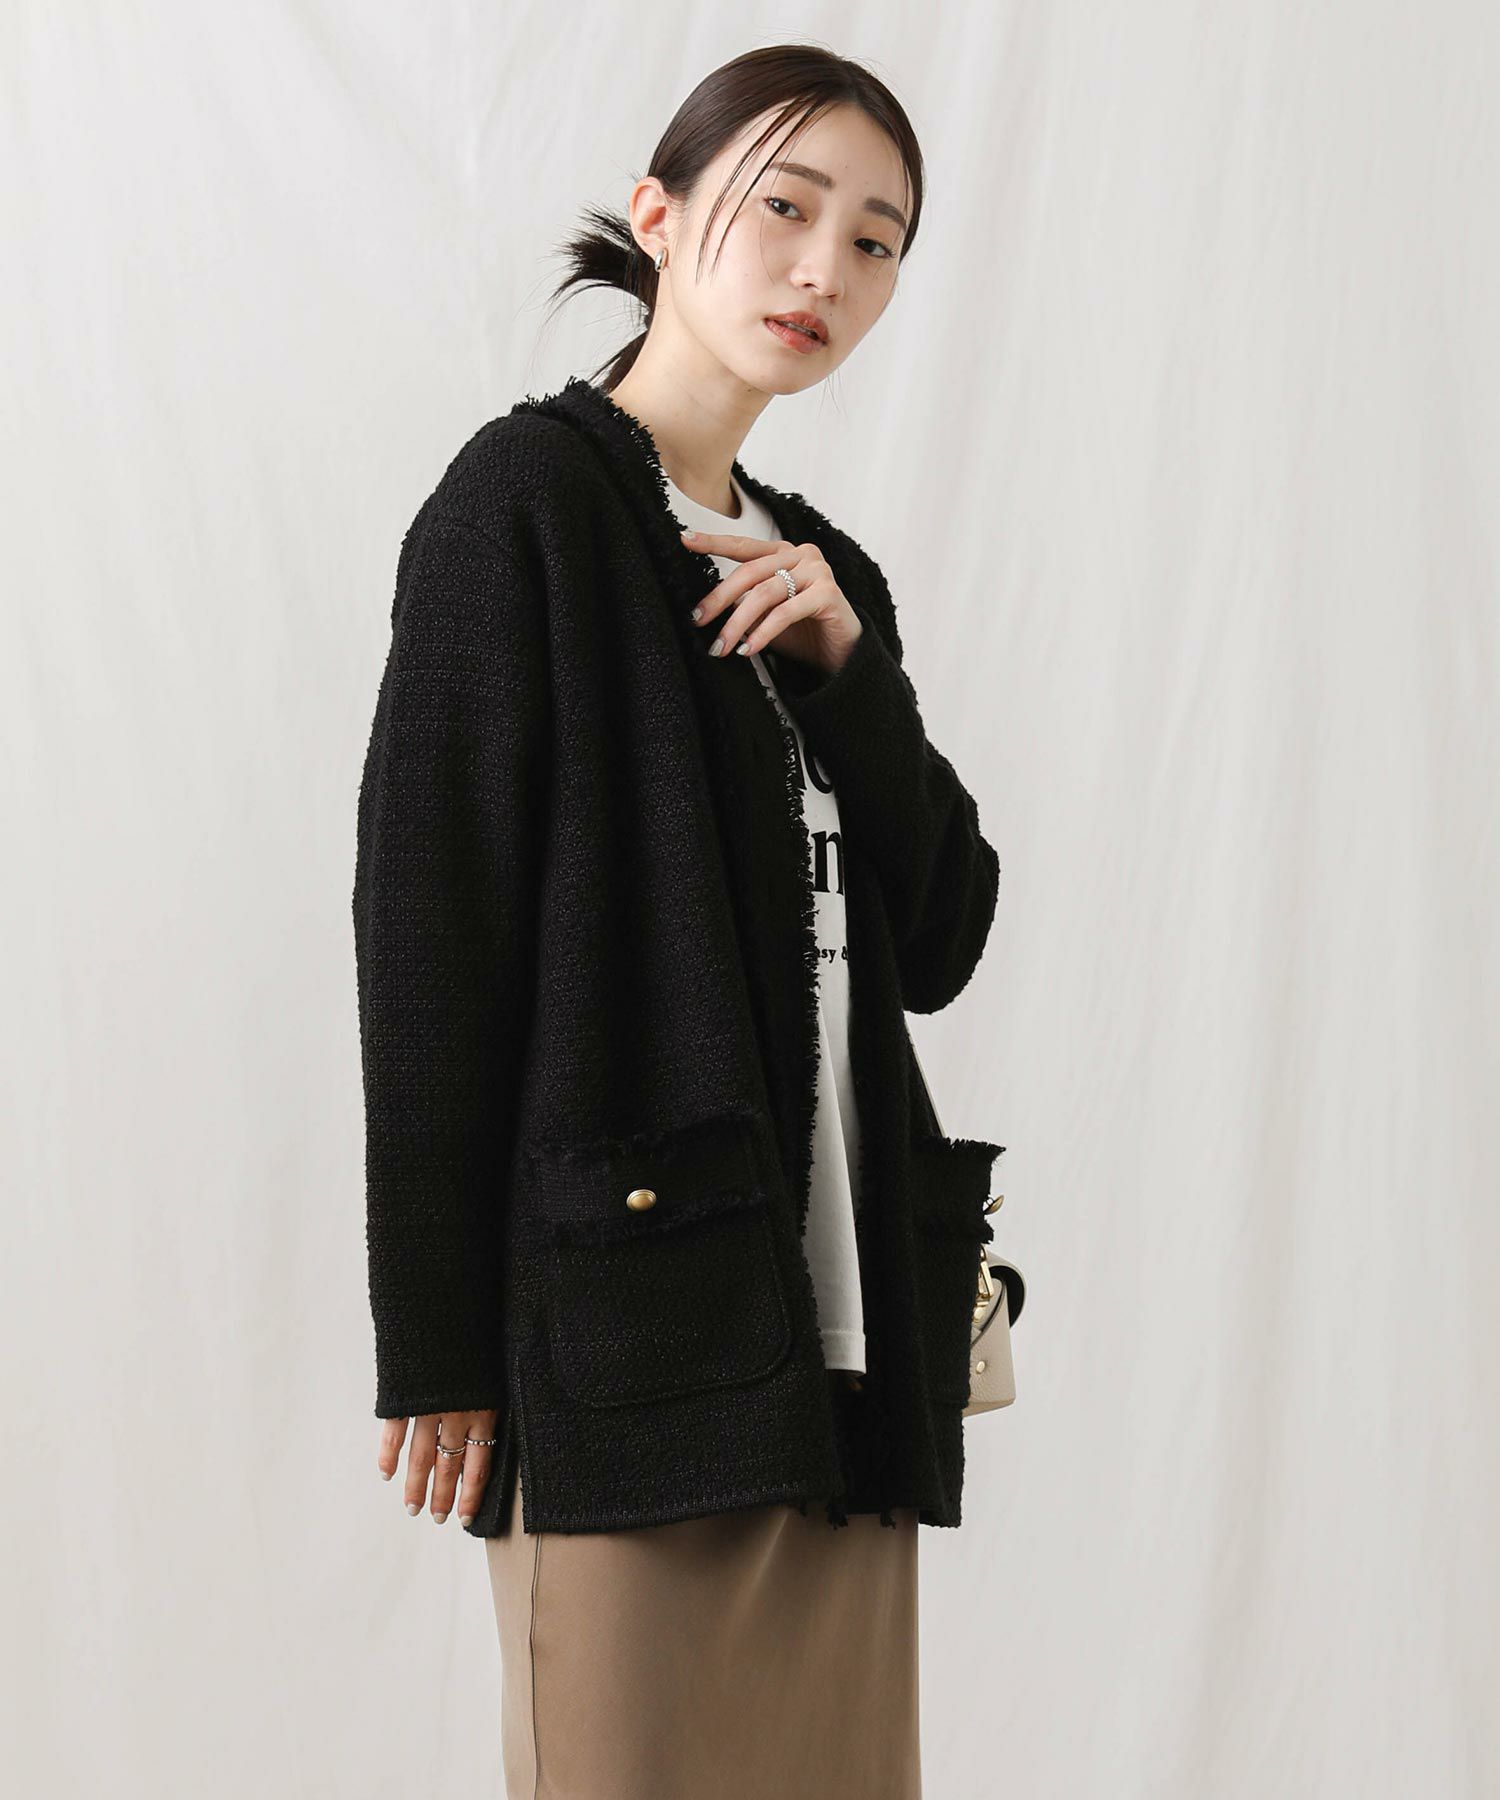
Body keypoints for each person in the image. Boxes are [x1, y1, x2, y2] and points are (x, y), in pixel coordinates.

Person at [353, 42, 1004, 1800]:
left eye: (875, 240)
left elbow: (944, 935)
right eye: (783, 207)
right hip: (630, 1340)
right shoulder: (528, 507)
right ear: (659, 216)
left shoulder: (823, 573)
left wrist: (851, 674)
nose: (823, 268)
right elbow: (429, 939)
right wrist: (437, 1338)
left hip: (847, 1358)